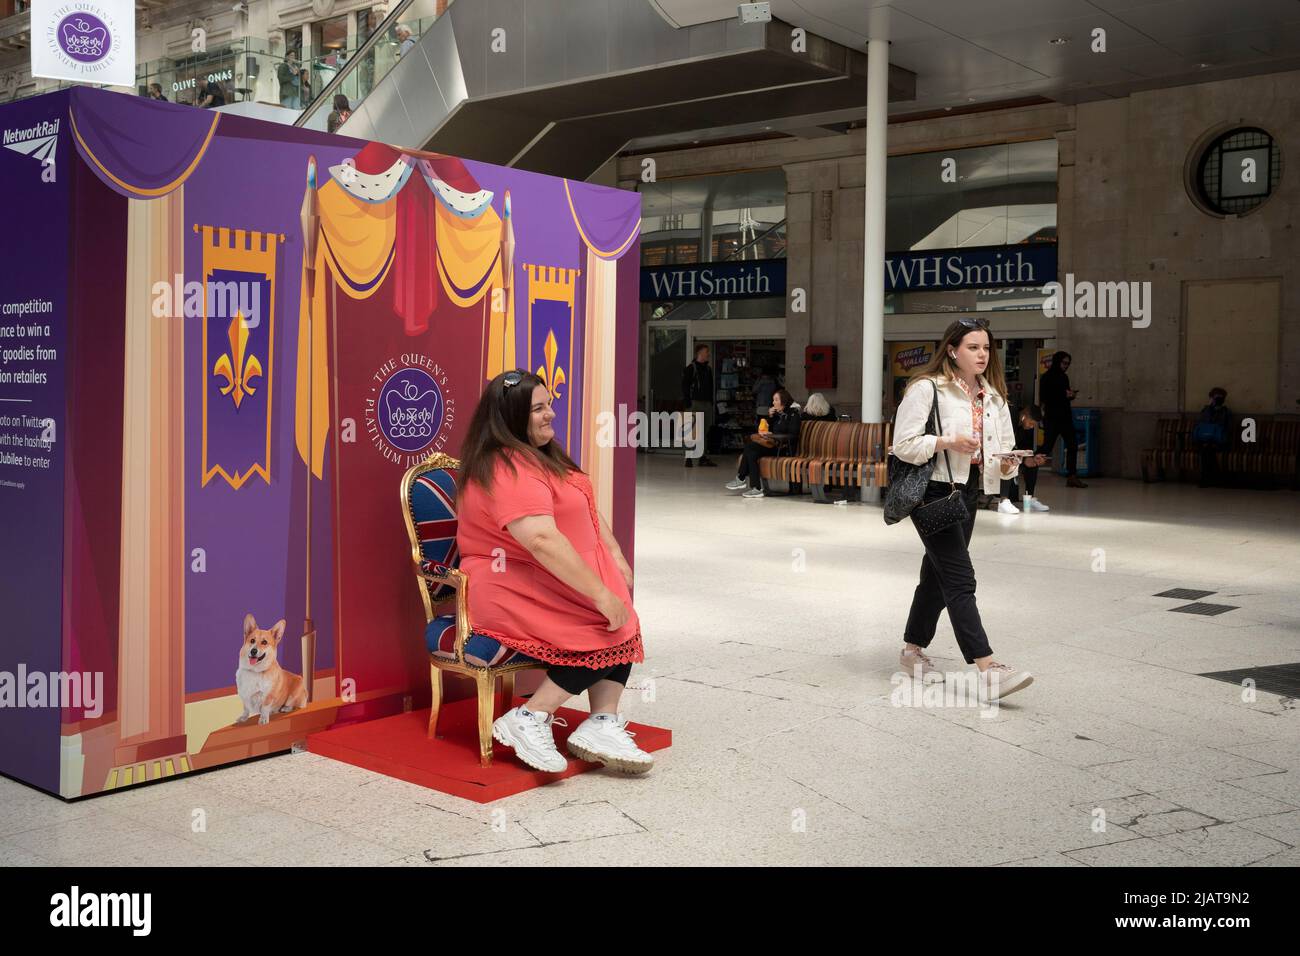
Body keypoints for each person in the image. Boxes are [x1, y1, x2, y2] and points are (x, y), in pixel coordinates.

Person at [455, 369, 652, 774]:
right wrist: (601, 594)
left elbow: (582, 500)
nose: (551, 414)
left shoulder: (541, 454)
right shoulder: (505, 468)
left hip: (543, 579)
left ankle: (602, 722)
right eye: (538, 409)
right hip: (507, 586)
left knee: (621, 620)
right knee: (603, 624)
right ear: (511, 418)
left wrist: (613, 554)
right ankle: (530, 717)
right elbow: (541, 540)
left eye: (549, 404)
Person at [891, 317, 1034, 701]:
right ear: (953, 350)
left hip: (968, 491)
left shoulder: (994, 398)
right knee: (959, 577)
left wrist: (1009, 463)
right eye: (973, 347)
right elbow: (903, 444)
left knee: (937, 576)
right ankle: (987, 667)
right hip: (932, 491)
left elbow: (1003, 451)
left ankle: (911, 652)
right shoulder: (927, 389)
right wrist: (946, 441)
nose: (982, 354)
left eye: (986, 347)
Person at [725, 388, 800, 499]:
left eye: (776, 400)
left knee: (751, 449)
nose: (773, 403)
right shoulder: (778, 414)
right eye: (773, 400)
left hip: (783, 448)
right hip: (773, 445)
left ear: (783, 402)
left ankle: (743, 480)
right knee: (751, 449)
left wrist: (773, 435)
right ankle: (753, 486)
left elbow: (793, 434)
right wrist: (770, 417)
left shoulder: (794, 415)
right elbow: (767, 426)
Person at [1038, 350, 1087, 488]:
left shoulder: (1064, 377)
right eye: (1064, 363)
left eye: (1068, 364)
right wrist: (1063, 395)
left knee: (1072, 445)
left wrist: (1070, 395)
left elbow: (1065, 394)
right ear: (1057, 361)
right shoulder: (1046, 378)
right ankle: (1028, 465)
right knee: (1047, 446)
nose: (1066, 366)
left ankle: (1072, 476)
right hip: (1053, 417)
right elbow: (1045, 397)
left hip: (1065, 417)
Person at [996, 404, 1051, 513]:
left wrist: (1033, 457)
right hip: (999, 453)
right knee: (1009, 460)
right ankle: (1003, 500)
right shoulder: (1010, 420)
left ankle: (1029, 498)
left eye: (1033, 425)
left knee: (1033, 462)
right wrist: (1023, 460)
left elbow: (1021, 448)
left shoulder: (1022, 428)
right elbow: (1004, 446)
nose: (1031, 427)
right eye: (1030, 423)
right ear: (1024, 416)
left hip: (1011, 455)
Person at [681, 344, 718, 468]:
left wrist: (711, 402)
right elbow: (684, 387)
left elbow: (711, 387)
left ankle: (702, 457)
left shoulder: (708, 369)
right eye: (707, 352)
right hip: (694, 403)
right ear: (700, 353)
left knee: (704, 431)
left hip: (706, 404)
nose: (708, 354)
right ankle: (689, 457)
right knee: (691, 431)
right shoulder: (691, 368)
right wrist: (688, 403)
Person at [1194, 387, 1232, 487]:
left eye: (1221, 397)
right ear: (1211, 398)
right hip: (1204, 440)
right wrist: (1210, 408)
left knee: (1207, 450)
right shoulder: (1206, 410)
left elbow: (1225, 427)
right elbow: (1204, 424)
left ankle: (1206, 479)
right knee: (1206, 449)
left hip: (1220, 441)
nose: (1219, 400)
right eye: (1216, 397)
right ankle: (1213, 478)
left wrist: (1218, 411)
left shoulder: (1226, 412)